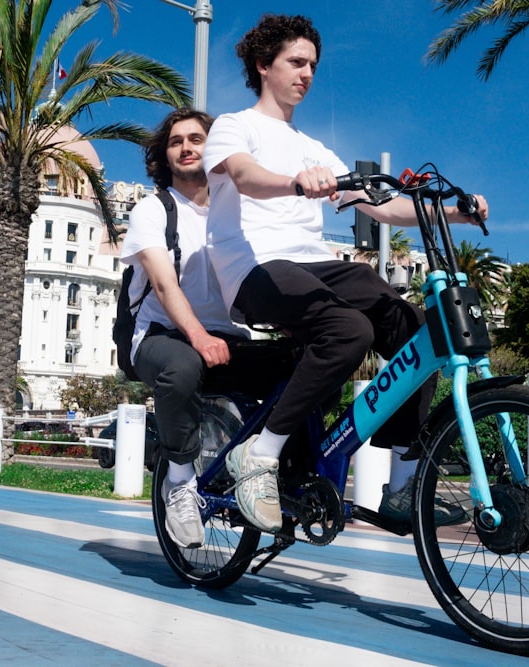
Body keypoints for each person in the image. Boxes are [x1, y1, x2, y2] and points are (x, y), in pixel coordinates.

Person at [203, 14, 488, 532]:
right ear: (264, 65)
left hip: (311, 264)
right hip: (254, 268)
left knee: (416, 330)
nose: (307, 73)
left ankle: (402, 484)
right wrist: (296, 183)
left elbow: (378, 205)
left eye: (313, 64)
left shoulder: (315, 148)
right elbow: (243, 177)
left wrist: (454, 212)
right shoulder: (234, 126)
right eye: (296, 62)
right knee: (349, 330)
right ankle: (260, 454)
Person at [120, 108, 250, 548]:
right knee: (183, 368)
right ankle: (178, 483)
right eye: (176, 141)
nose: (187, 147)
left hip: (228, 338)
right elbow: (162, 281)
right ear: (165, 154)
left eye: (197, 139)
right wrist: (198, 336)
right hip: (162, 337)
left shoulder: (235, 216)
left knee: (306, 365)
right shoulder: (153, 209)